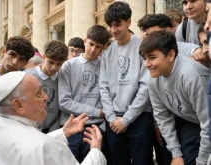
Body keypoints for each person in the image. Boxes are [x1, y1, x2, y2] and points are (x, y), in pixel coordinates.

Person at [0, 71, 107, 165]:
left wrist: (63, 132)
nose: (46, 97)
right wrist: (96, 150)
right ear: (18, 105)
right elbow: (39, 147)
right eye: (38, 94)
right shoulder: (43, 146)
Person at [139, 30, 210, 165]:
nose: (146, 64)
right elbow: (162, 116)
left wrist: (201, 162)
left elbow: (208, 123)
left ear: (171, 55)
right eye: (144, 58)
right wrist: (176, 154)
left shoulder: (191, 76)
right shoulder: (153, 77)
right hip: (191, 122)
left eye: (152, 57)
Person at [100, 2, 154, 165]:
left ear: (129, 22)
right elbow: (103, 87)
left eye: (117, 24)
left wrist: (126, 119)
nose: (113, 30)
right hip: (113, 119)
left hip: (139, 117)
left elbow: (145, 87)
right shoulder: (107, 52)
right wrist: (111, 117)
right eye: (110, 25)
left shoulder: (142, 46)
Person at [58, 25, 109, 163]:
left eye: (98, 47)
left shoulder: (105, 66)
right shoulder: (68, 66)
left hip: (96, 127)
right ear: (85, 41)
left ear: (103, 47)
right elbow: (64, 102)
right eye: (91, 44)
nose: (93, 50)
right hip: (72, 126)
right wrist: (98, 112)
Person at [25, 40, 68, 133]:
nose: (54, 67)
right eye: (51, 62)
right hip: (30, 129)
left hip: (54, 129)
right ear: (44, 57)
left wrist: (54, 130)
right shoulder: (27, 76)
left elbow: (63, 107)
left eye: (59, 64)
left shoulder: (63, 77)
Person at [0, 36, 34, 123]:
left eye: (21, 59)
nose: (14, 62)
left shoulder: (24, 84)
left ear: (25, 63)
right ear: (3, 52)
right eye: (12, 55)